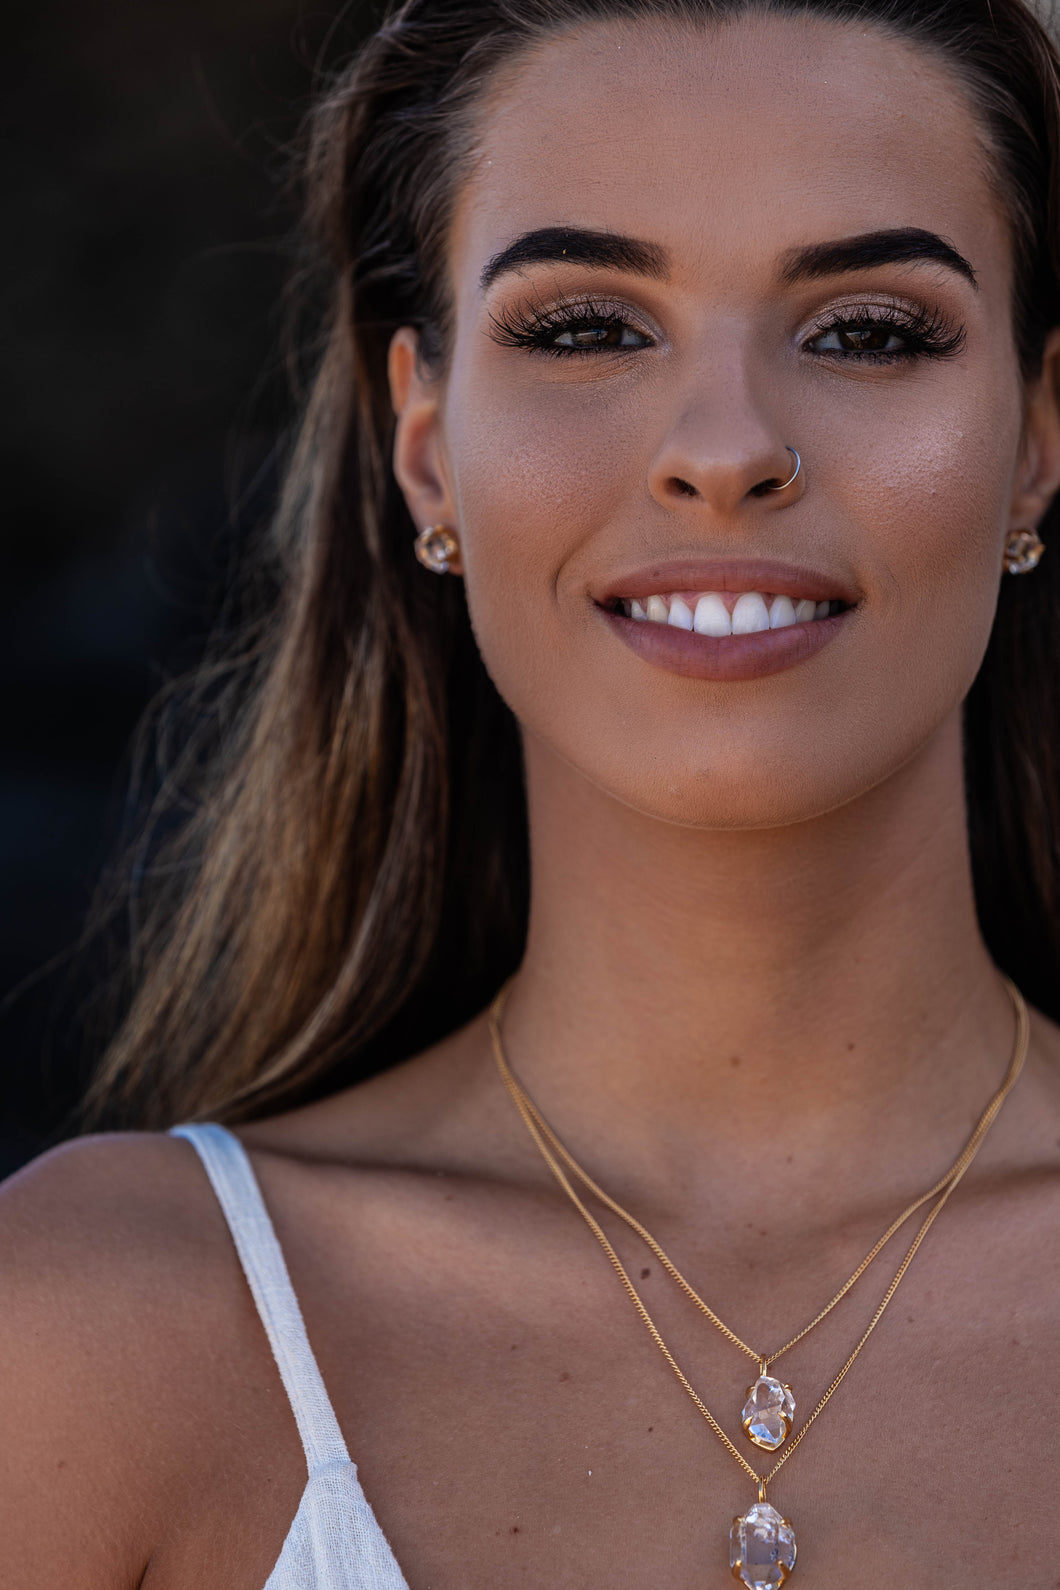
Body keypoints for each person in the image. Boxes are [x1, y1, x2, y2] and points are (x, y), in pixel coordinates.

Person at [3, 0, 1060, 1584]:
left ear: (1039, 437)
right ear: (424, 442)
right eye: (586, 326)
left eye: (868, 328)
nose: (727, 449)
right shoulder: (94, 1337)